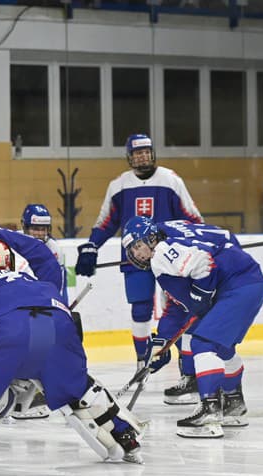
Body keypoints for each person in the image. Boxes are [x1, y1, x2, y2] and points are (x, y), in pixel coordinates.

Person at [0, 240, 145, 468]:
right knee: (80, 387)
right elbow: (67, 321)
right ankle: (125, 434)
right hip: (52, 327)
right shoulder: (34, 281)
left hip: (6, 330)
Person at [122, 216, 263, 438]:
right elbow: (178, 307)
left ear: (151, 238)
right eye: (132, 251)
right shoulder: (171, 235)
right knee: (223, 348)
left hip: (237, 286)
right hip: (248, 281)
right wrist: (160, 344)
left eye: (138, 246)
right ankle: (234, 405)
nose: (137, 254)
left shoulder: (161, 253)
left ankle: (209, 412)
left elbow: (203, 262)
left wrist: (201, 295)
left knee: (202, 344)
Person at [75, 134, 202, 379]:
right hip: (135, 259)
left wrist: (198, 243)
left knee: (179, 310)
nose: (142, 156)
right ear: (129, 157)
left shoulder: (170, 180)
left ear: (153, 153)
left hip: (170, 259)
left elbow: (192, 218)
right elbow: (106, 222)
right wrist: (92, 246)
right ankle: (142, 362)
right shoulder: (119, 185)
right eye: (137, 153)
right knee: (140, 308)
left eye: (146, 151)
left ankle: (188, 373)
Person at [20, 203, 68, 304]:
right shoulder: (14, 243)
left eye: (43, 229)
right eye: (35, 229)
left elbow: (61, 284)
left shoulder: (54, 248)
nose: (40, 234)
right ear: (24, 226)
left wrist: (64, 306)